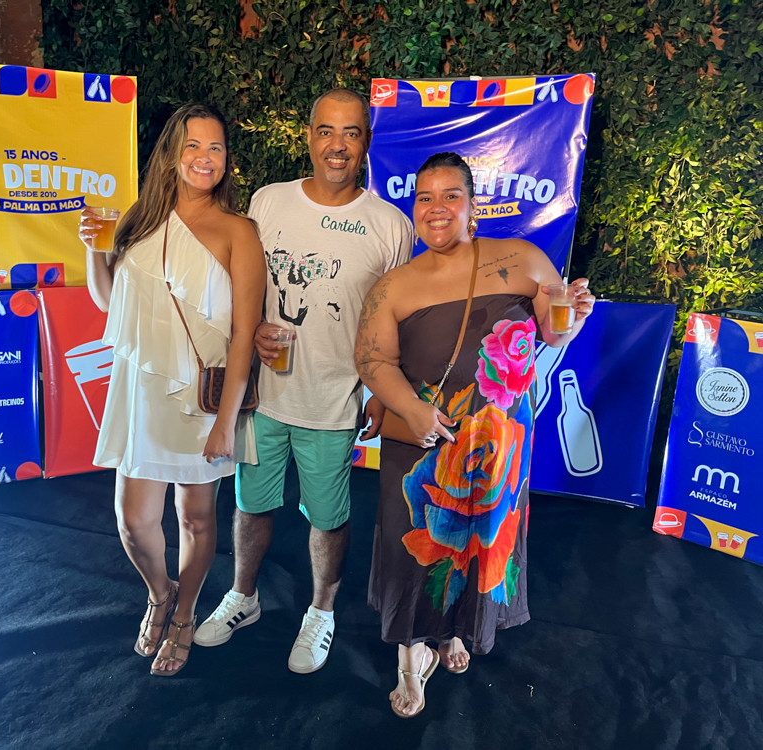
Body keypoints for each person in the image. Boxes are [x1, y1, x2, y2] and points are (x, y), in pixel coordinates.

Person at [354, 151, 596, 716]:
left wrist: (575, 314)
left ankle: (457, 629)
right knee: (416, 541)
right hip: (422, 442)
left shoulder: (521, 259)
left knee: (479, 540)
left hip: (498, 443)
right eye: (425, 197)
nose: (437, 208)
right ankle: (411, 651)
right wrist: (411, 409)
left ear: (473, 206)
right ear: (414, 208)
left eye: (451, 196)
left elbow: (554, 333)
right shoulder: (394, 286)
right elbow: (371, 360)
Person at [194, 89, 414, 674]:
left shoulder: (391, 225)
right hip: (264, 396)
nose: (337, 146)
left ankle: (321, 611)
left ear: (367, 142)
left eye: (351, 133)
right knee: (251, 505)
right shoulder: (268, 202)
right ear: (309, 136)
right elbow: (239, 287)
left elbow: (395, 319)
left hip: (334, 401)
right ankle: (243, 596)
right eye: (326, 131)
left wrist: (379, 391)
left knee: (328, 518)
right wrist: (252, 330)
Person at [80, 103, 266, 677]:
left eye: (216, 147)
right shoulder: (139, 220)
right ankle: (161, 593)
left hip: (202, 398)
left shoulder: (238, 230)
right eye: (193, 146)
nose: (205, 158)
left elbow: (244, 334)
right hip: (141, 391)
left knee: (196, 518)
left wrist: (225, 422)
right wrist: (93, 250)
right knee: (133, 521)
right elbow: (110, 303)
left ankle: (185, 613)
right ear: (171, 154)